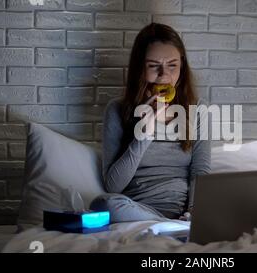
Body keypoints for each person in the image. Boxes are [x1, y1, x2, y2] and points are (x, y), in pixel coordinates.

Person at [89, 23, 211, 223]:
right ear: (140, 68)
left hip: (182, 210)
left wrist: (194, 211)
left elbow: (201, 171)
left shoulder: (199, 110)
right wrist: (143, 135)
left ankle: (177, 223)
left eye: (172, 65)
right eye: (154, 66)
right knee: (103, 204)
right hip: (136, 209)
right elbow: (113, 186)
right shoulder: (117, 110)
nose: (164, 75)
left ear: (182, 65)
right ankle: (168, 225)